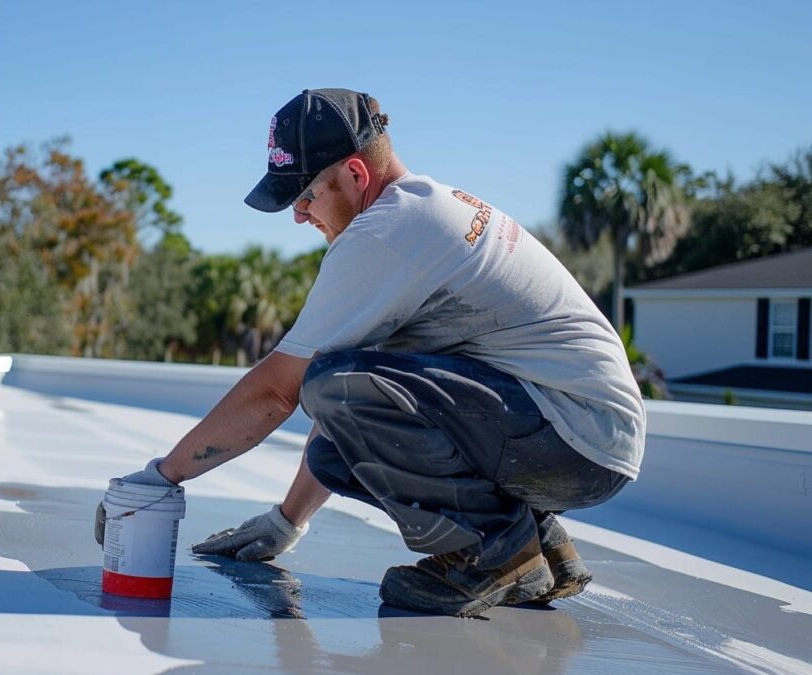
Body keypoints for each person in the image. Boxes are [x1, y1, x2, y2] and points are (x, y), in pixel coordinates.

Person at [111, 88, 645, 618]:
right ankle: (542, 549)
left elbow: (278, 392)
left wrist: (162, 478)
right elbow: (362, 409)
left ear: (355, 175)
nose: (298, 216)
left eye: (305, 195)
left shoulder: (388, 232)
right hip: (579, 435)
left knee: (327, 383)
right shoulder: (420, 212)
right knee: (332, 451)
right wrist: (286, 522)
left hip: (573, 434)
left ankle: (494, 553)